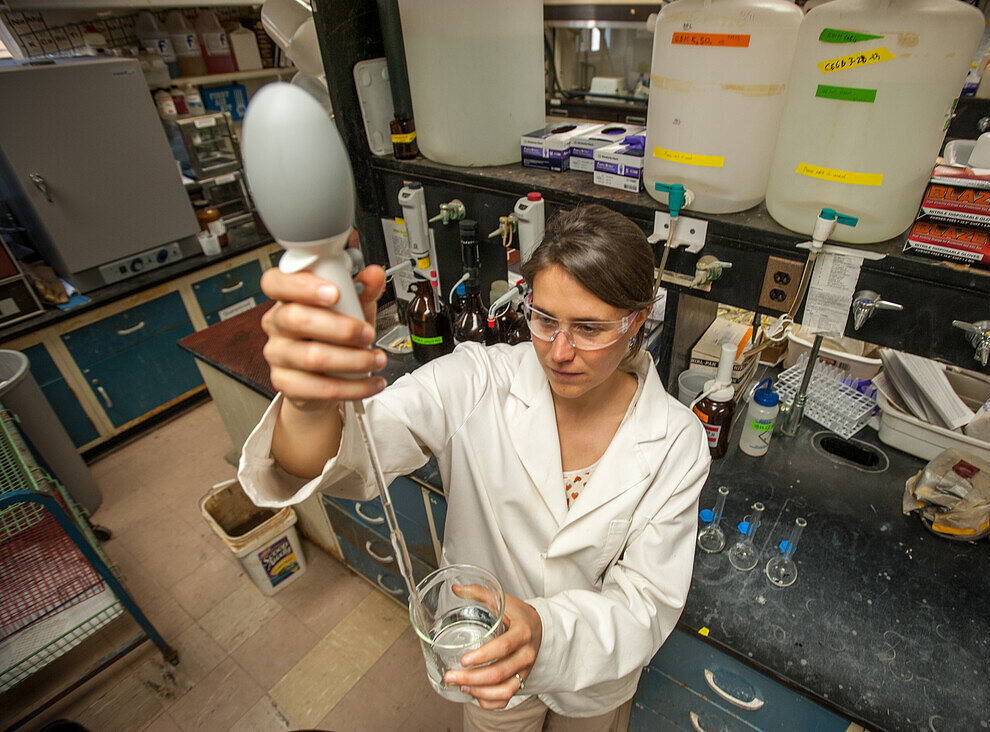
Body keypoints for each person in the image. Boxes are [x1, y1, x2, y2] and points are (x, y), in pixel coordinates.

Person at [238, 204, 711, 731]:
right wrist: (308, 406)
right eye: (545, 318)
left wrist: (544, 632)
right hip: (483, 653)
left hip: (593, 674)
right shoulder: (477, 381)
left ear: (637, 320)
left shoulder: (676, 440)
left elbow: (646, 599)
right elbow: (354, 453)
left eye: (589, 329)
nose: (559, 351)